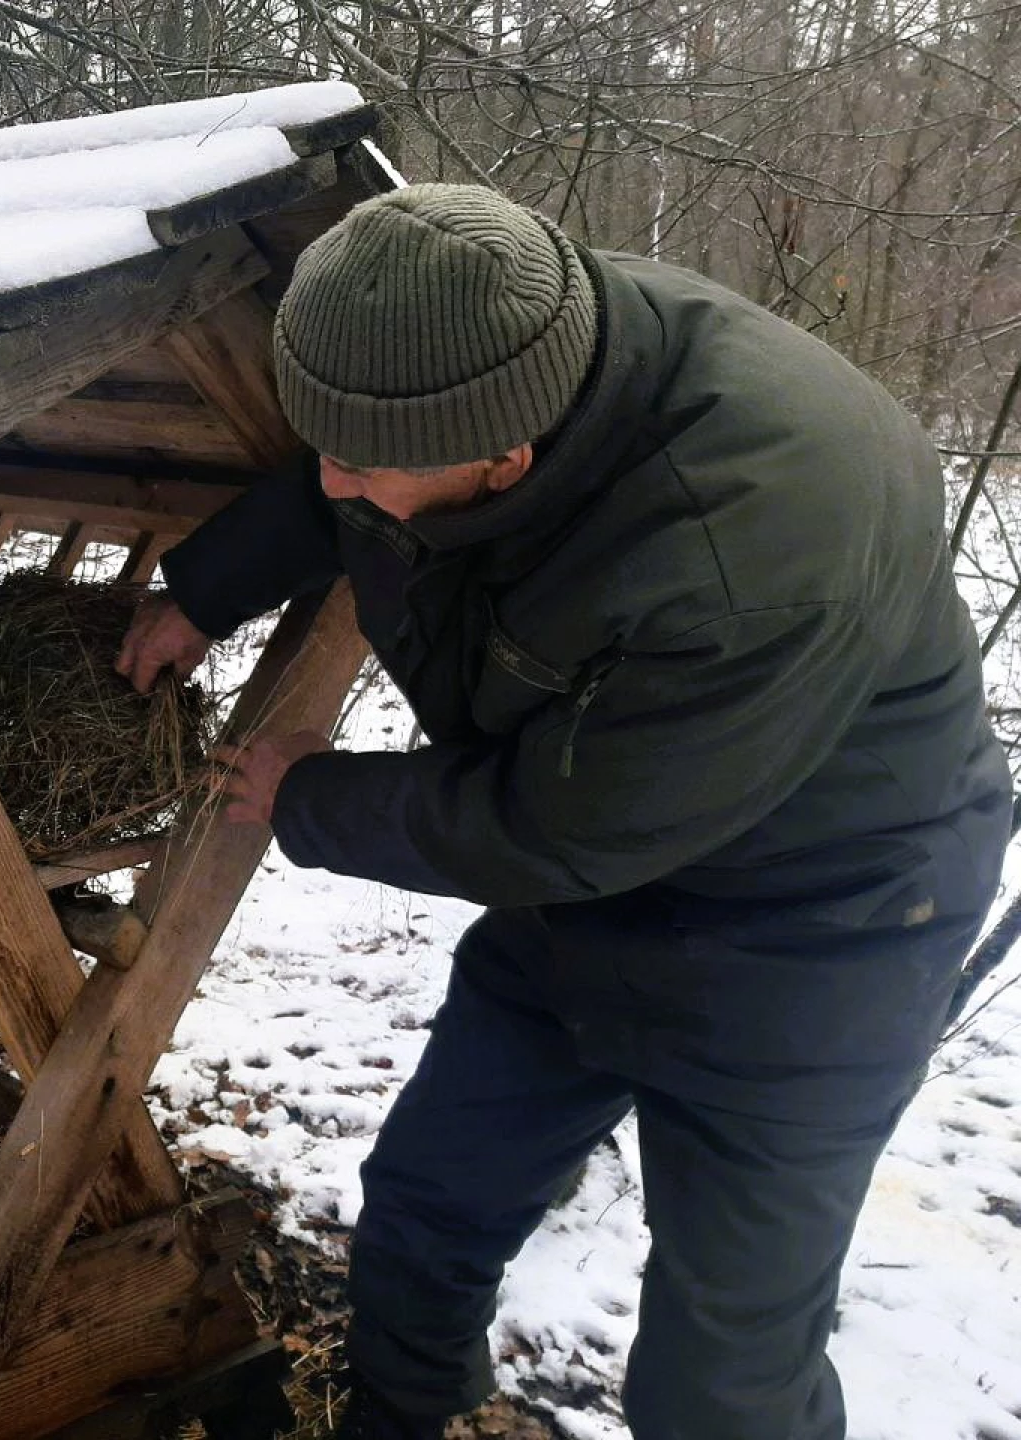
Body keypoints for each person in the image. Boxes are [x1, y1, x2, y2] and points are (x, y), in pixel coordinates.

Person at [116, 184, 1011, 1440]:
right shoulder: (485, 329)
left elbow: (565, 824)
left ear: (504, 461)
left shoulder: (749, 549)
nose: (333, 480)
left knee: (724, 1374)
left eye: (365, 466)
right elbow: (333, 478)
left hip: (819, 933)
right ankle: (397, 1421)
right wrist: (205, 590)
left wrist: (308, 800)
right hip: (588, 887)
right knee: (427, 1209)